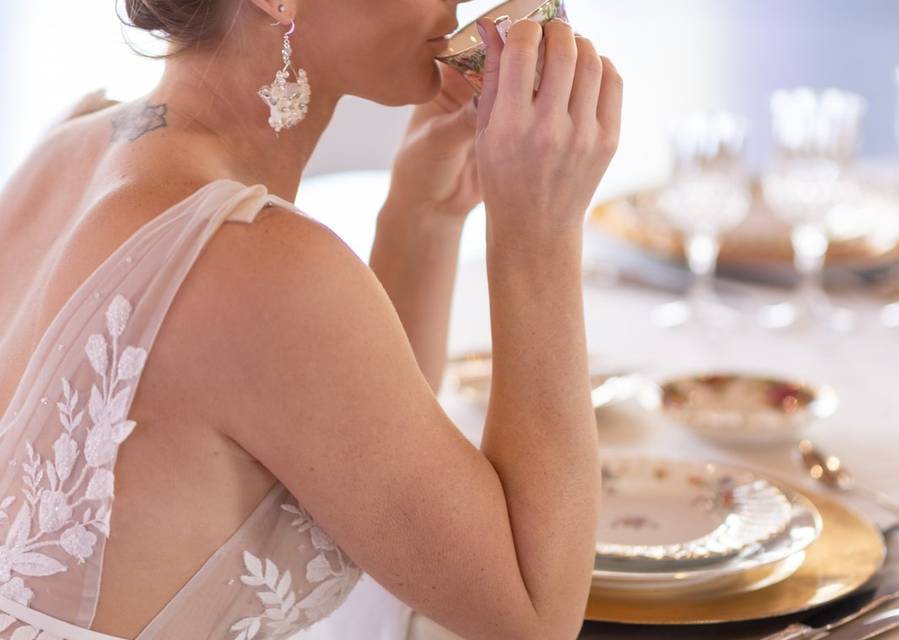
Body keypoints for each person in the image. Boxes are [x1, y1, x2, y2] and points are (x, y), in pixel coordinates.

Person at [0, 0, 622, 637]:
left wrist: (423, 218)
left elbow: (349, 440)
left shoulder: (68, 145)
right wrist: (538, 229)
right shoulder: (251, 261)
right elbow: (534, 615)